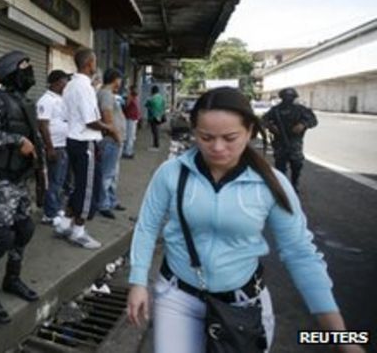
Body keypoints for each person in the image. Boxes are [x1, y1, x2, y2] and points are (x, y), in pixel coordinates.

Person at [126, 87, 360, 353]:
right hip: (177, 297)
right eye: (206, 137)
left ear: (250, 131)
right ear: (194, 132)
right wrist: (137, 282)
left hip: (244, 307)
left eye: (230, 138)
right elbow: (146, 227)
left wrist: (341, 337)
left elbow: (301, 254)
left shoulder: (271, 184)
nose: (217, 147)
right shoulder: (171, 173)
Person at [0, 50, 43, 324]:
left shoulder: (26, 102)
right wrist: (16, 141)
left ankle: (11, 279)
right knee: (0, 237)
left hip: (20, 180)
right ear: (12, 72)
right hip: (1, 182)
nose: (29, 72)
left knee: (24, 229)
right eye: (25, 67)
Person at [55, 49, 115, 250]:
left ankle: (64, 224)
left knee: (79, 185)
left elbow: (66, 115)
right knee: (89, 188)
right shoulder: (84, 87)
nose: (95, 65)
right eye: (95, 61)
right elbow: (91, 121)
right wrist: (109, 129)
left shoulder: (71, 85)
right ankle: (78, 232)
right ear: (89, 63)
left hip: (73, 139)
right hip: (85, 142)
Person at [262, 87, 317, 189]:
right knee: (280, 167)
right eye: (286, 97)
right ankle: (283, 188)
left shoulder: (301, 110)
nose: (288, 99)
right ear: (282, 98)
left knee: (297, 164)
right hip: (280, 143)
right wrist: (271, 126)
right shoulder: (275, 110)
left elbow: (313, 120)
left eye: (290, 97)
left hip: (295, 142)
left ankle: (294, 183)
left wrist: (303, 124)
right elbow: (263, 120)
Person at [36, 70, 70, 224]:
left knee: (61, 180)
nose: (66, 85)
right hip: (54, 146)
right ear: (56, 83)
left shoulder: (60, 98)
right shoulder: (46, 100)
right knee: (53, 181)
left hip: (63, 145)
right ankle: (49, 214)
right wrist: (49, 148)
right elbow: (43, 125)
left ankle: (56, 208)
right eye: (64, 82)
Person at [95, 68, 127, 218]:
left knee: (113, 173)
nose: (120, 83)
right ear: (115, 79)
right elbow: (107, 118)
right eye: (120, 80)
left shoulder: (108, 94)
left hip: (114, 140)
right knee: (107, 174)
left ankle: (111, 200)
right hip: (111, 140)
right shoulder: (106, 95)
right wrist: (117, 137)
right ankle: (103, 204)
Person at [144, 85, 166, 150]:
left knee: (154, 131)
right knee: (157, 130)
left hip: (153, 117)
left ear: (152, 91)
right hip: (160, 117)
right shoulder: (162, 98)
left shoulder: (151, 99)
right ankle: (156, 144)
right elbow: (164, 107)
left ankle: (156, 145)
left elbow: (146, 105)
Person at [122, 85, 141, 158]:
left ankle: (128, 151)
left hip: (132, 118)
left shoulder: (133, 97)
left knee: (131, 136)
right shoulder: (132, 97)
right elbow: (127, 106)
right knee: (130, 136)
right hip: (130, 118)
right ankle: (127, 152)